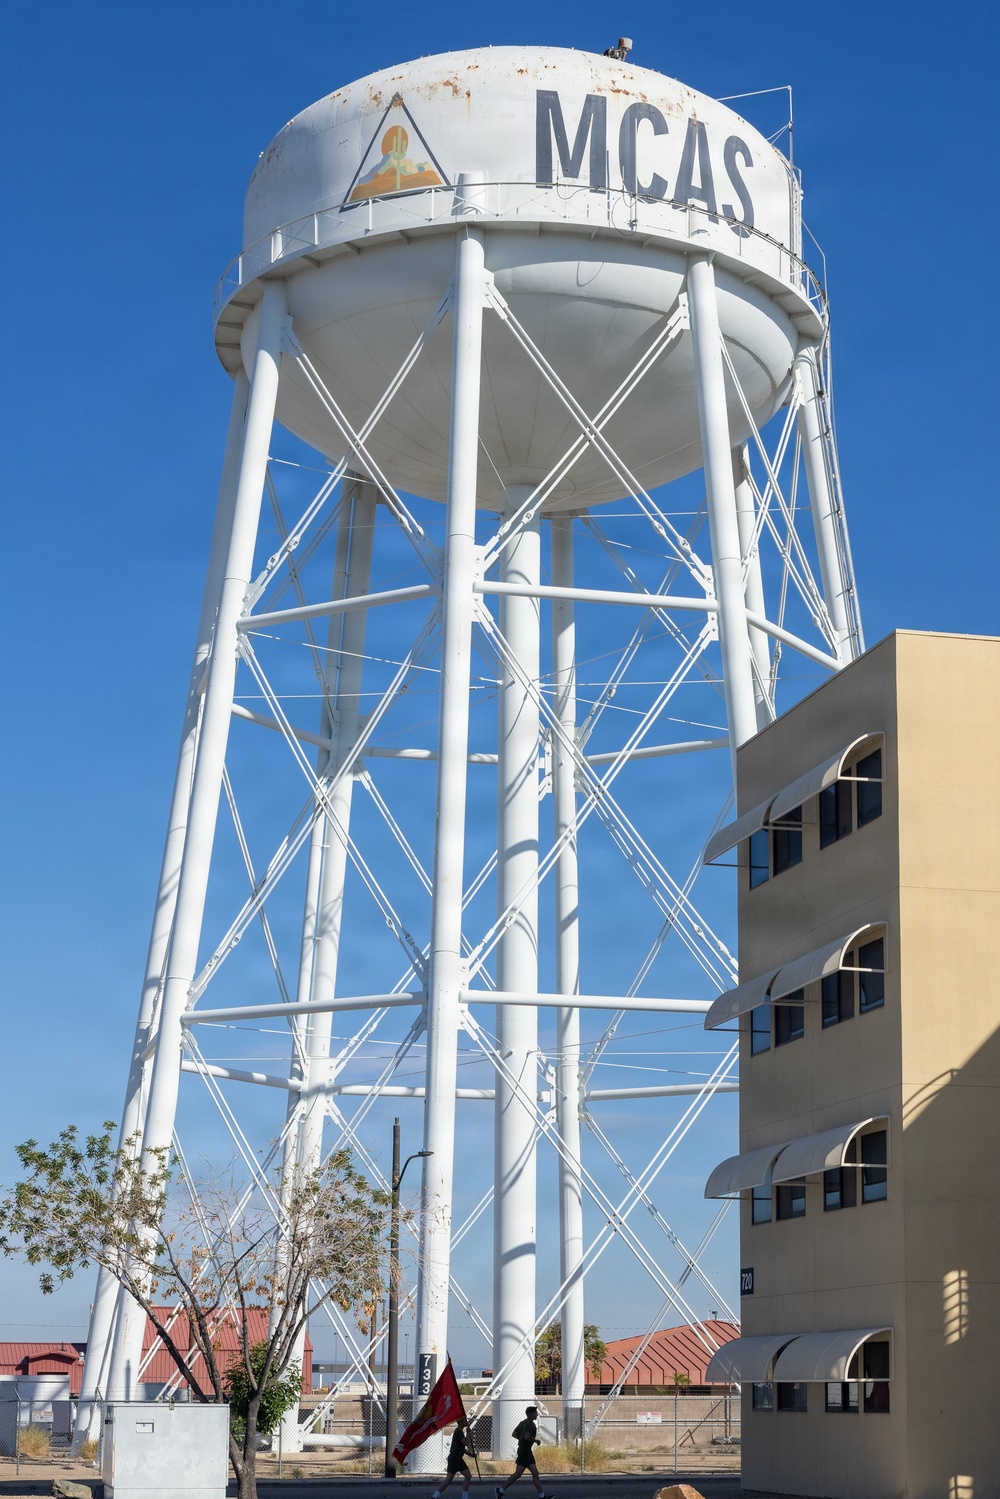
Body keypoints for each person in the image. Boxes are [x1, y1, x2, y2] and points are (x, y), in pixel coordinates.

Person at [495, 1406, 551, 1499]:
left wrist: (521, 1439)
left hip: (526, 1450)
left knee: (535, 1473)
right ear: (530, 1414)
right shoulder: (531, 1424)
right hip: (525, 1451)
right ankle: (500, 1491)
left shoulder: (522, 1423)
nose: (537, 1414)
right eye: (535, 1412)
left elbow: (514, 1434)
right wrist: (536, 1441)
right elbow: (527, 1436)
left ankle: (542, 1496)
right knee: (518, 1474)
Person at [432, 1419, 472, 1499]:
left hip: (459, 1458)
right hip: (454, 1458)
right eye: (465, 1420)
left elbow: (462, 1448)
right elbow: (466, 1443)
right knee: (448, 1480)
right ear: (461, 1422)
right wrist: (468, 1432)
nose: (466, 1422)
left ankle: (465, 1497)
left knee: (468, 1475)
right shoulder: (458, 1432)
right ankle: (435, 1496)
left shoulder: (460, 1432)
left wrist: (471, 1455)